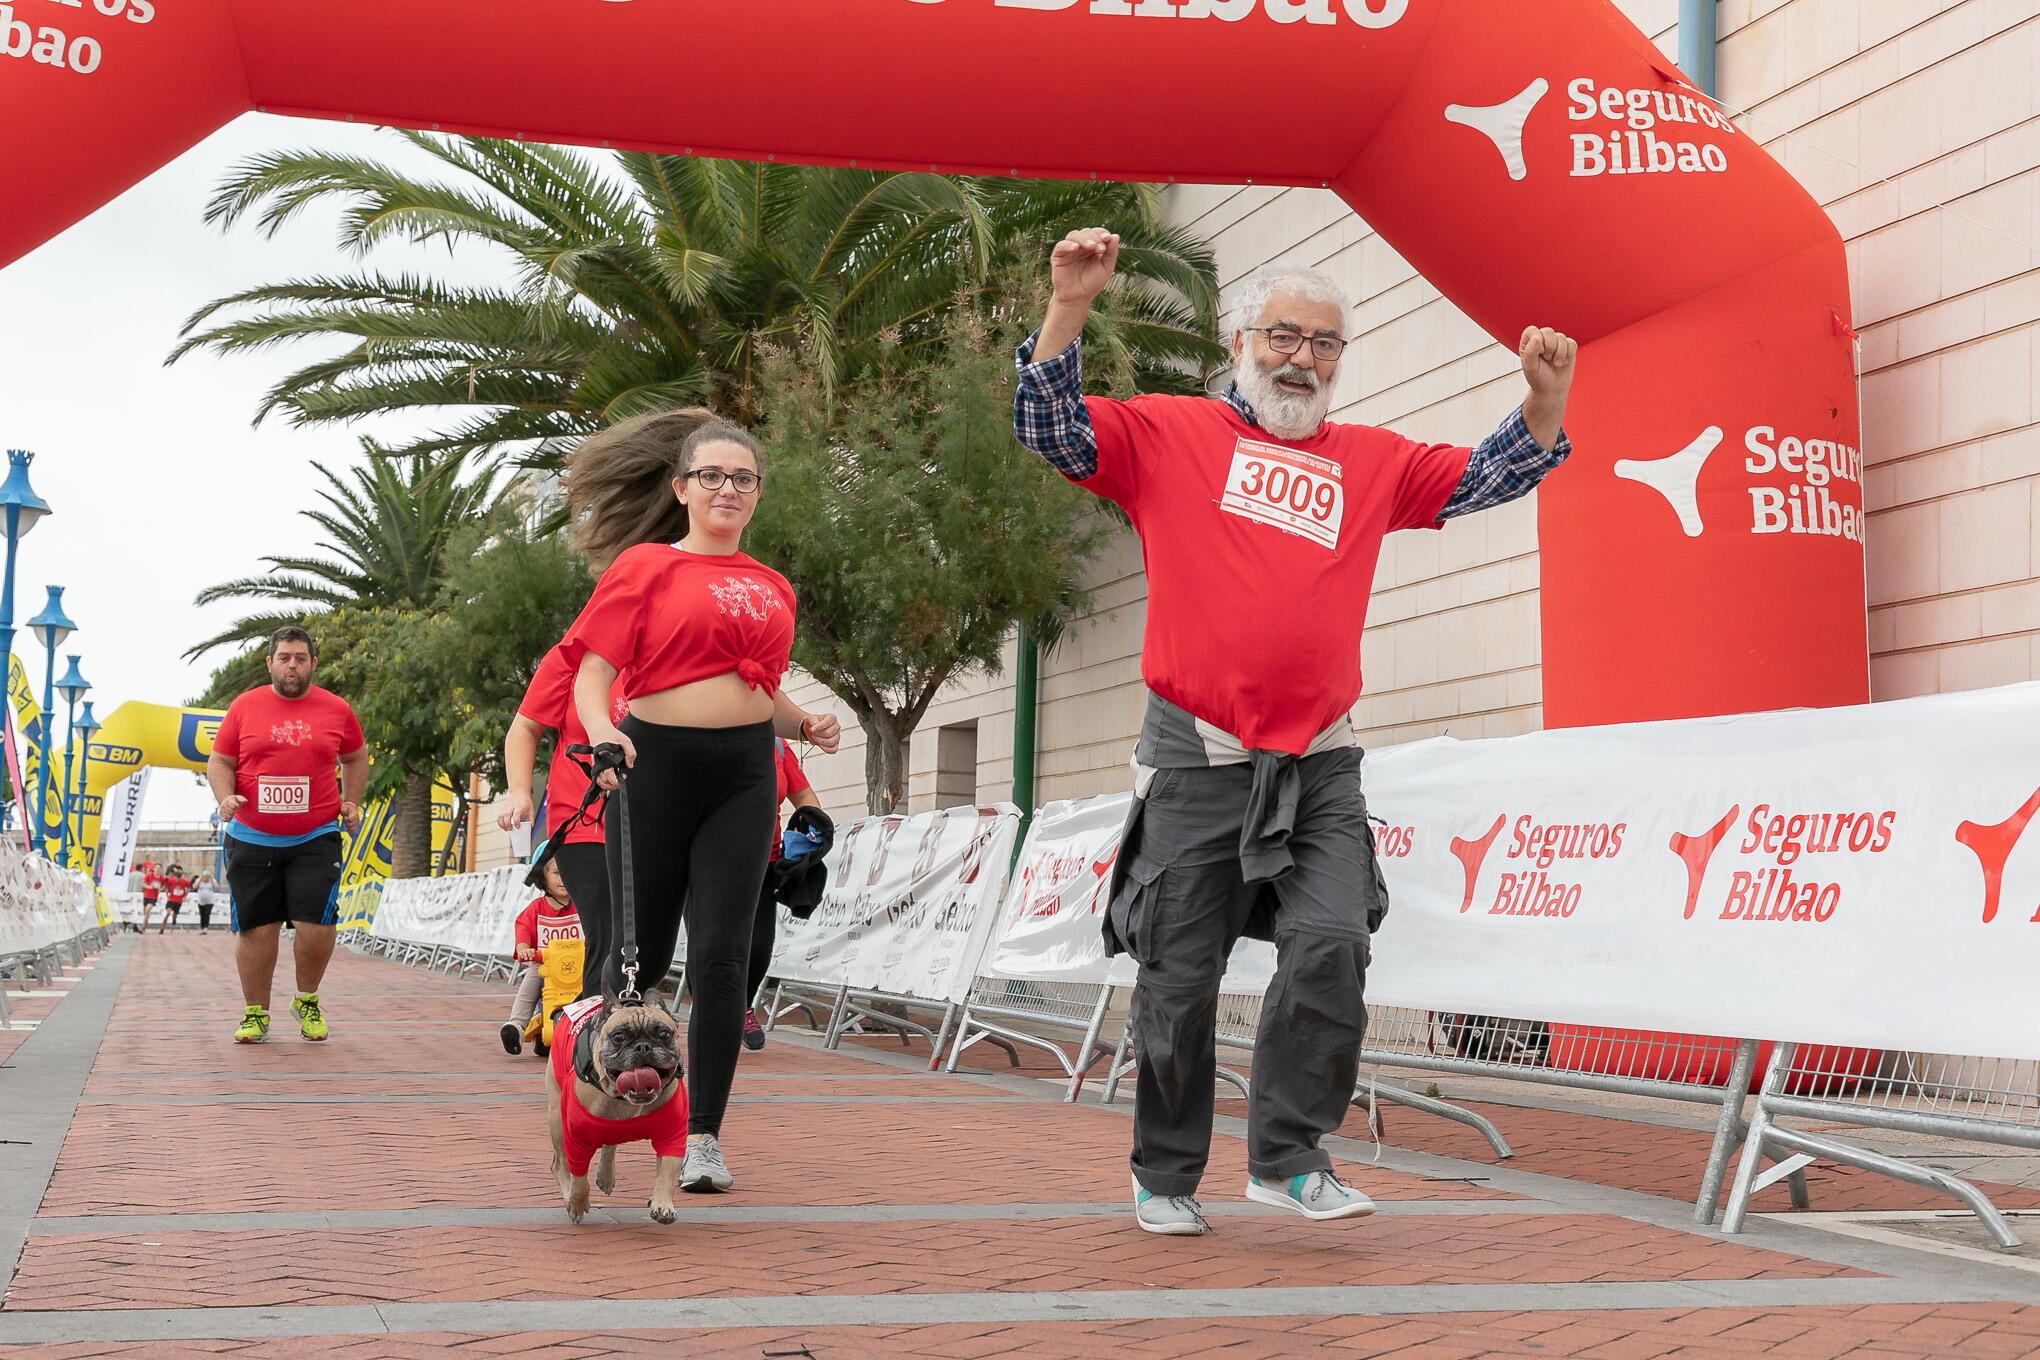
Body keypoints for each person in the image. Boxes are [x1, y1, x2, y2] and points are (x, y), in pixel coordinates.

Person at [1013, 229, 1577, 1235]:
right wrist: (1069, 308)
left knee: (1330, 943)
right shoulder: (1166, 434)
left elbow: (1491, 473)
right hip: (1199, 759)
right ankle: (1165, 1171)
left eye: (1323, 345)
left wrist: (1543, 399)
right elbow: (1051, 431)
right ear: (1242, 341)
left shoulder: (1371, 461)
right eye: (1284, 336)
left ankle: (1287, 1156)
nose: (1300, 358)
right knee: (1177, 983)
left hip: (1321, 763)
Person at [566, 417, 841, 1196]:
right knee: (640, 961)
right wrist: (602, 737)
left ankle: (704, 1137)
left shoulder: (772, 584)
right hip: (655, 765)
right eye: (712, 476)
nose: (728, 489)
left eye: (743, 478)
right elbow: (595, 676)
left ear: (757, 494)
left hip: (745, 775)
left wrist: (802, 722)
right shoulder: (645, 566)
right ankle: (604, 1100)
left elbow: (754, 680)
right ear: (682, 488)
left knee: (724, 958)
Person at [500, 407, 716, 1002]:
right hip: (587, 825)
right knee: (610, 943)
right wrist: (521, 792)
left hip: (654, 820)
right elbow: (524, 729)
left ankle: (611, 1049)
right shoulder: (572, 658)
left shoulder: (672, 652)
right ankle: (587, 1065)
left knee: (646, 956)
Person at [206, 625, 370, 1044]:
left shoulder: (336, 709)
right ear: (270, 663)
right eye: (284, 658)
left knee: (315, 925)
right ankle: (255, 1012)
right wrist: (225, 798)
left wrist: (350, 802)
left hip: (314, 835)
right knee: (257, 929)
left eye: (300, 658)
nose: (292, 665)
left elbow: (354, 757)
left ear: (313, 663)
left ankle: (307, 1000)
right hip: (252, 835)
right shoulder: (245, 706)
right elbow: (220, 761)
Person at [737, 738, 822, 1051]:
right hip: (710, 861)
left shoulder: (776, 746)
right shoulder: (708, 730)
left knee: (759, 947)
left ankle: (741, 1006)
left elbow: (802, 793)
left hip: (766, 860)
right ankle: (714, 1014)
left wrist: (817, 824)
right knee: (713, 944)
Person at [501, 854, 582, 1056]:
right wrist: (524, 949)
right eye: (556, 872)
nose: (563, 877)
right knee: (532, 977)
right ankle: (516, 1025)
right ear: (542, 877)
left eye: (568, 871)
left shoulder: (584, 907)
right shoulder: (535, 909)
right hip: (546, 966)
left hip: (582, 965)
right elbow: (523, 934)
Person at [159, 864, 190, 934]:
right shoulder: (171, 880)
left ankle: (174, 921)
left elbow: (187, 889)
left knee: (174, 915)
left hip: (178, 902)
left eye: (178, 879)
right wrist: (167, 896)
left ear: (180, 878)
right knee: (167, 913)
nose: (176, 880)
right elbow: (166, 888)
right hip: (171, 900)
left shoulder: (185, 881)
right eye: (175, 878)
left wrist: (185, 897)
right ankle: (162, 929)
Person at [137, 860, 162, 934]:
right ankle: (144, 927)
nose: (157, 869)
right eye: (156, 868)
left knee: (147, 910)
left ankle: (142, 928)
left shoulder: (162, 878)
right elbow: (142, 883)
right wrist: (149, 887)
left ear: (161, 869)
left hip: (153, 897)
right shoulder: (149, 875)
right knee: (146, 913)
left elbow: (164, 886)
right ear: (154, 868)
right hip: (146, 896)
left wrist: (160, 889)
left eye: (159, 868)